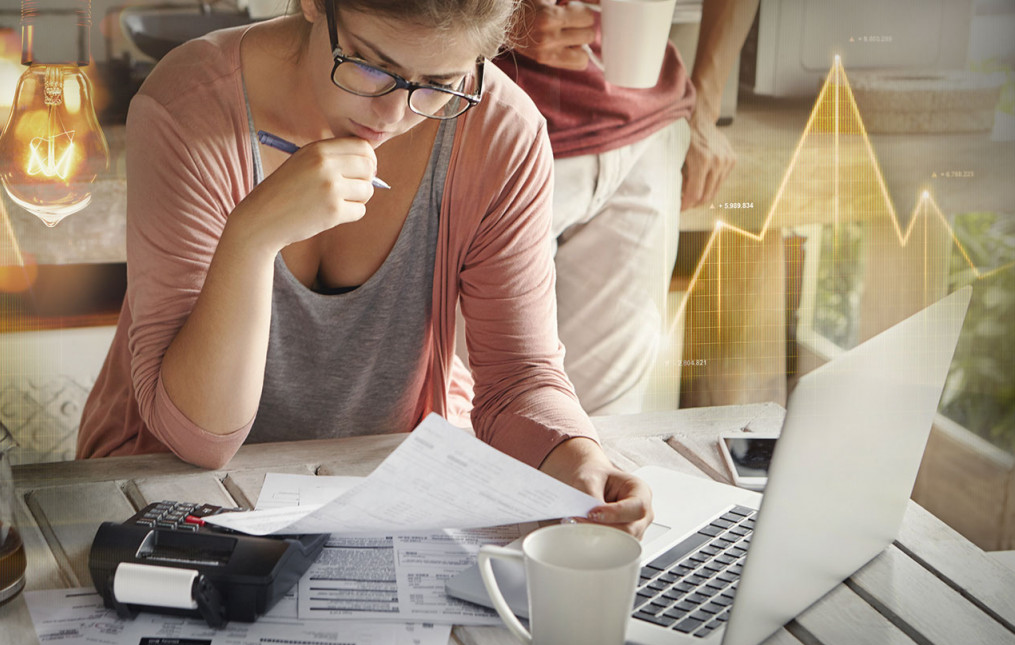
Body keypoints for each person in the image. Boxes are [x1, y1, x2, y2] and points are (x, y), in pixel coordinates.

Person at [77, 0, 652, 537]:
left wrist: (580, 461)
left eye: (440, 85)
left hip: (384, 492)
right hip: (164, 491)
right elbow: (196, 434)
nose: (395, 114)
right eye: (371, 67)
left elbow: (517, 380)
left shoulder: (502, 132)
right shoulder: (187, 106)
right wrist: (252, 238)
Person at [496, 0, 760, 414]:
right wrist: (497, 19)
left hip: (643, 139)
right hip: (499, 137)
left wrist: (705, 111)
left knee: (609, 426)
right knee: (486, 410)